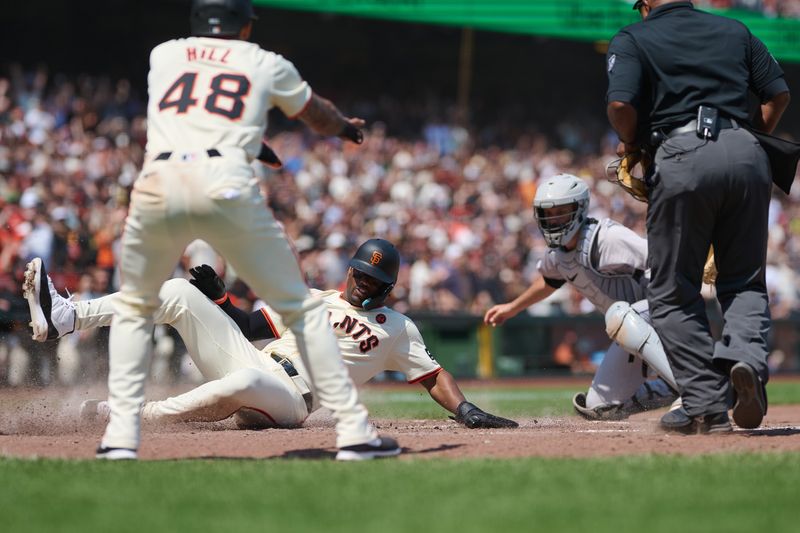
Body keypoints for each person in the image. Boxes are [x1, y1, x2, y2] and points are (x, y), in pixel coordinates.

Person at [23, 0, 395, 460]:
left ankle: (73, 331)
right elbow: (314, 114)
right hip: (224, 187)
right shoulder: (263, 61)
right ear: (242, 25)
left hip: (160, 184)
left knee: (145, 301)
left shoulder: (164, 53)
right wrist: (344, 128)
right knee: (299, 307)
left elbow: (196, 109)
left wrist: (244, 139)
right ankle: (356, 437)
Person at [24, 240, 518, 447]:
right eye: (360, 274)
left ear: (387, 288)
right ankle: (67, 316)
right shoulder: (310, 298)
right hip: (256, 360)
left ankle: (131, 416)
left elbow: (432, 374)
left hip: (289, 399)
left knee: (244, 379)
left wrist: (465, 409)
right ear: (350, 270)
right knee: (176, 291)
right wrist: (219, 296)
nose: (363, 284)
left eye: (373, 281)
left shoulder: (397, 327)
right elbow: (245, 322)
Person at [606, 0, 790, 433]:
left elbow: (620, 106)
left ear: (646, 4)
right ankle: (744, 357)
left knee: (672, 290)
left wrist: (633, 145)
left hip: (682, 152)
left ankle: (707, 404)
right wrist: (748, 139)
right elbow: (777, 94)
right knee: (743, 281)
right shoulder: (735, 30)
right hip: (747, 151)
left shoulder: (634, 36)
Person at [484, 174, 679, 420]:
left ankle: (693, 390)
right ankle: (687, 385)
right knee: (600, 407)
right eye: (548, 213)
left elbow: (660, 260)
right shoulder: (558, 255)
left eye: (561, 211)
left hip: (666, 309)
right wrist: (512, 307)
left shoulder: (606, 238)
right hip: (635, 324)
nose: (553, 219)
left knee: (618, 314)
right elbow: (548, 281)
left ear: (580, 209)